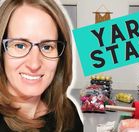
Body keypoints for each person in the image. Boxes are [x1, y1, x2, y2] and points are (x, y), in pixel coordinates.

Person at [0, 0, 83, 131]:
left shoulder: (68, 113)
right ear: (1, 52)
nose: (34, 64)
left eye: (47, 47)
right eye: (20, 45)